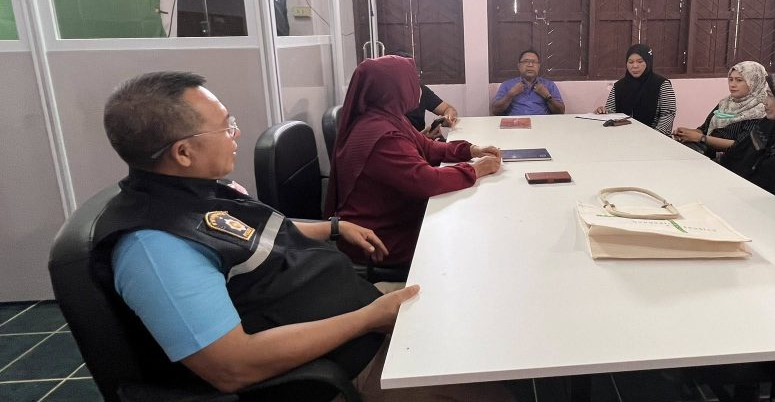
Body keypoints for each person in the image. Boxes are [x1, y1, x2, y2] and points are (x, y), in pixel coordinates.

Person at [98, 71, 410, 396]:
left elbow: (251, 234)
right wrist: (368, 319)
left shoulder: (195, 193)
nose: (236, 133)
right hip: (351, 368)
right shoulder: (157, 248)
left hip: (363, 313)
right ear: (183, 153)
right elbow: (233, 367)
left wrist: (334, 227)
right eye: (225, 126)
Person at [325, 55, 502, 270]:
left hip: (397, 216)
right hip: (379, 237)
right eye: (412, 81)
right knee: (464, 239)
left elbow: (428, 147)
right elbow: (425, 180)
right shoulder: (382, 135)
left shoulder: (390, 116)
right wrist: (475, 170)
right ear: (395, 88)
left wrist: (470, 150)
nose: (417, 88)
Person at [673, 61, 768, 156]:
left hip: (730, 160)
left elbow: (741, 145)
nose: (732, 84)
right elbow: (704, 129)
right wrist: (685, 133)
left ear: (754, 82)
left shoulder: (760, 111)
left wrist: (701, 138)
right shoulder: (725, 103)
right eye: (730, 79)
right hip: (707, 152)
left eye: (739, 80)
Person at [594, 44, 676, 135]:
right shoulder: (619, 86)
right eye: (630, 62)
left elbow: (668, 114)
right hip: (622, 136)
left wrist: (654, 135)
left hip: (653, 137)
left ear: (648, 62)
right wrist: (603, 112)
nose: (635, 66)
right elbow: (611, 112)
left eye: (640, 61)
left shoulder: (662, 84)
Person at [390, 50, 459, 139]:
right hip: (408, 145)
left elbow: (448, 109)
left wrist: (448, 118)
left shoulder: (421, 90)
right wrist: (423, 139)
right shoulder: (386, 100)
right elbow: (392, 141)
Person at [490, 49, 565, 115]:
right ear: (519, 66)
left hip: (542, 123)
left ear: (539, 66)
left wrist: (548, 96)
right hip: (516, 123)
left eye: (534, 62)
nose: (530, 65)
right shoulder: (507, 85)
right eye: (526, 61)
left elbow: (561, 112)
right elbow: (495, 111)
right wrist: (510, 95)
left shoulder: (549, 85)